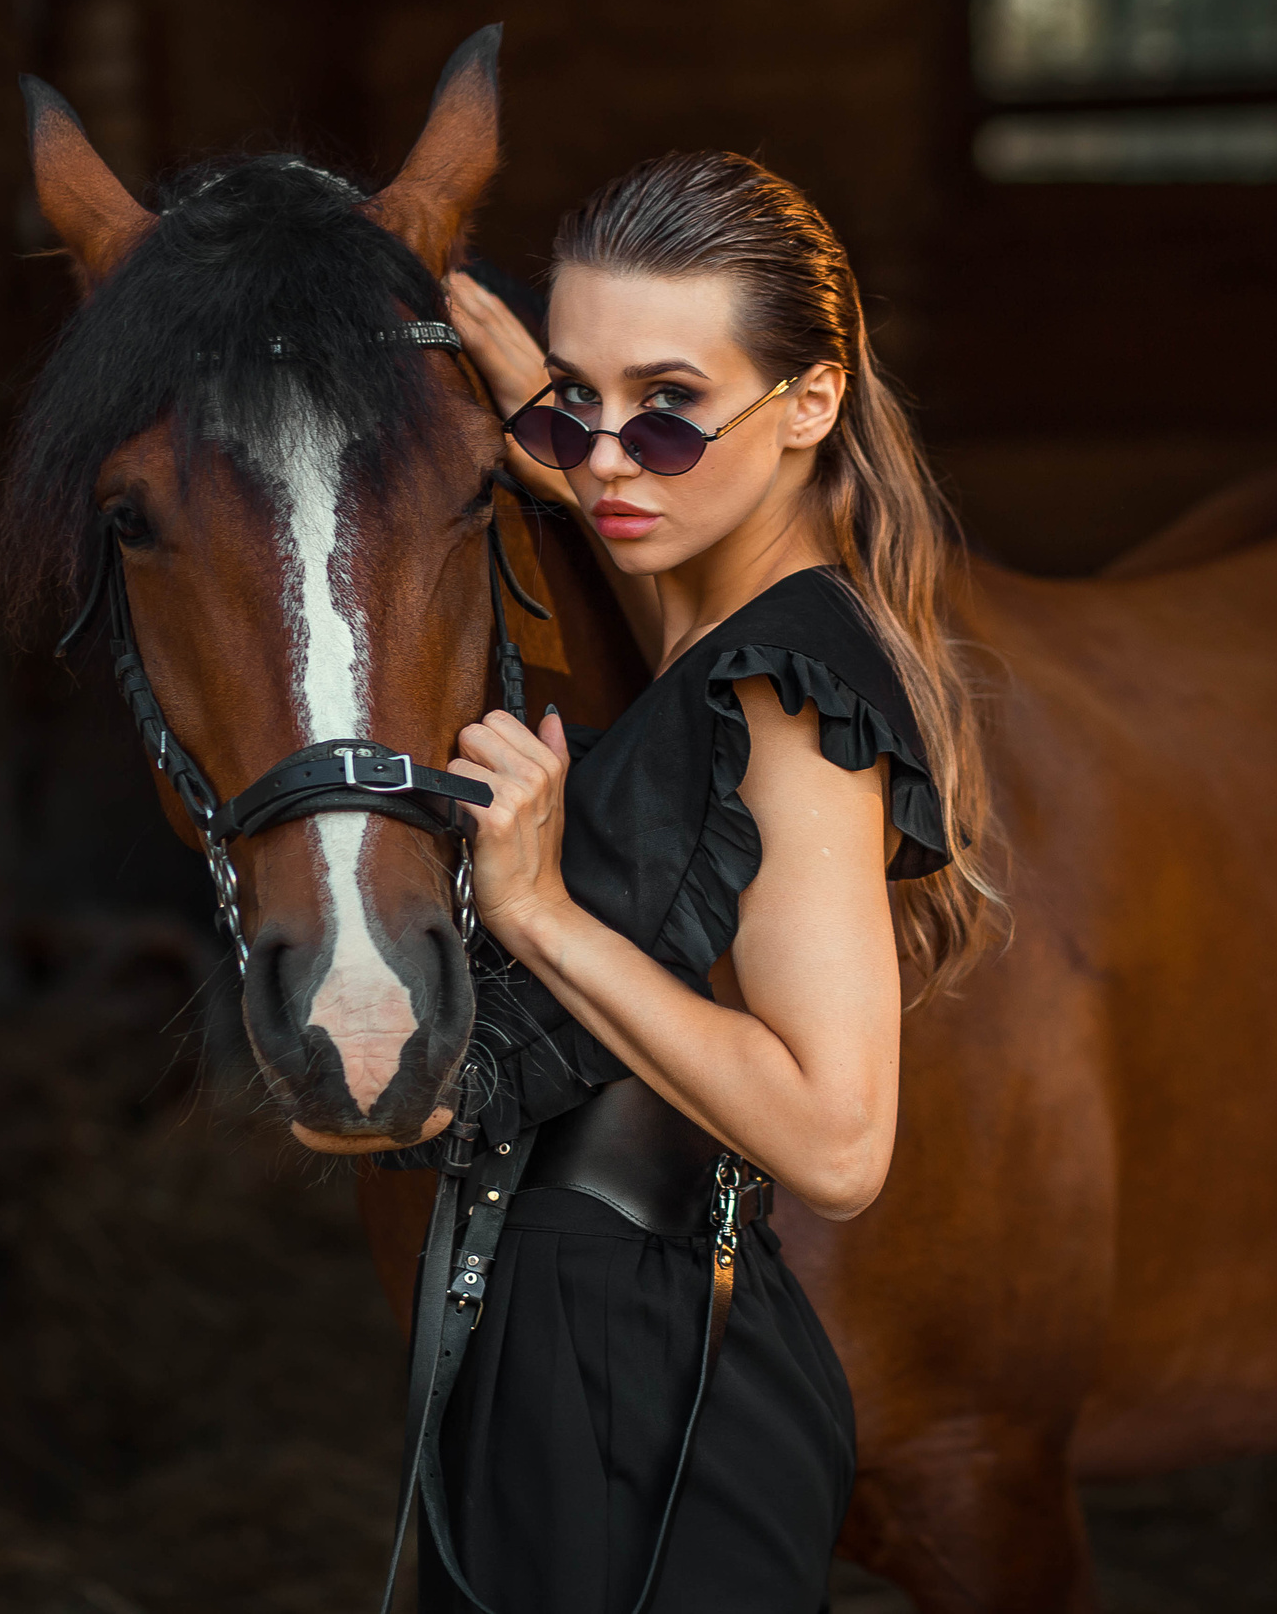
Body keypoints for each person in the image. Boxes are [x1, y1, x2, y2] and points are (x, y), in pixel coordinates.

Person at [416, 149, 1000, 1614]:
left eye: (671, 410)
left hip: (650, 1375)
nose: (611, 459)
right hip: (574, 1345)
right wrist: (525, 397)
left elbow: (841, 1138)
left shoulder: (793, 702)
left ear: (811, 403)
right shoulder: (718, 634)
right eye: (578, 399)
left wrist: (542, 914)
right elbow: (628, 522)